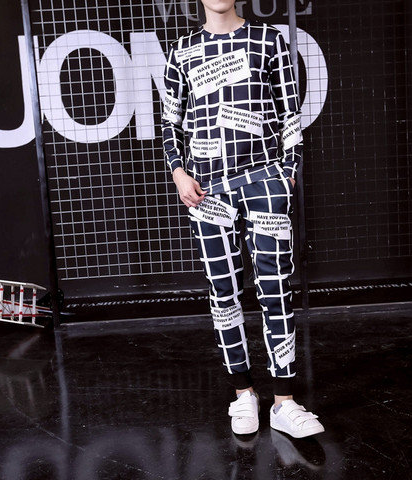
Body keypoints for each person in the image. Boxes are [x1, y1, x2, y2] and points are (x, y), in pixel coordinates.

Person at [162, 0, 324, 438]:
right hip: (206, 189)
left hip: (263, 181)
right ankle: (243, 394)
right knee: (223, 292)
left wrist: (286, 175)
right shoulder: (181, 51)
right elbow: (170, 123)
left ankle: (284, 402)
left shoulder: (269, 41)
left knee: (276, 288)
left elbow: (290, 115)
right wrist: (178, 173)